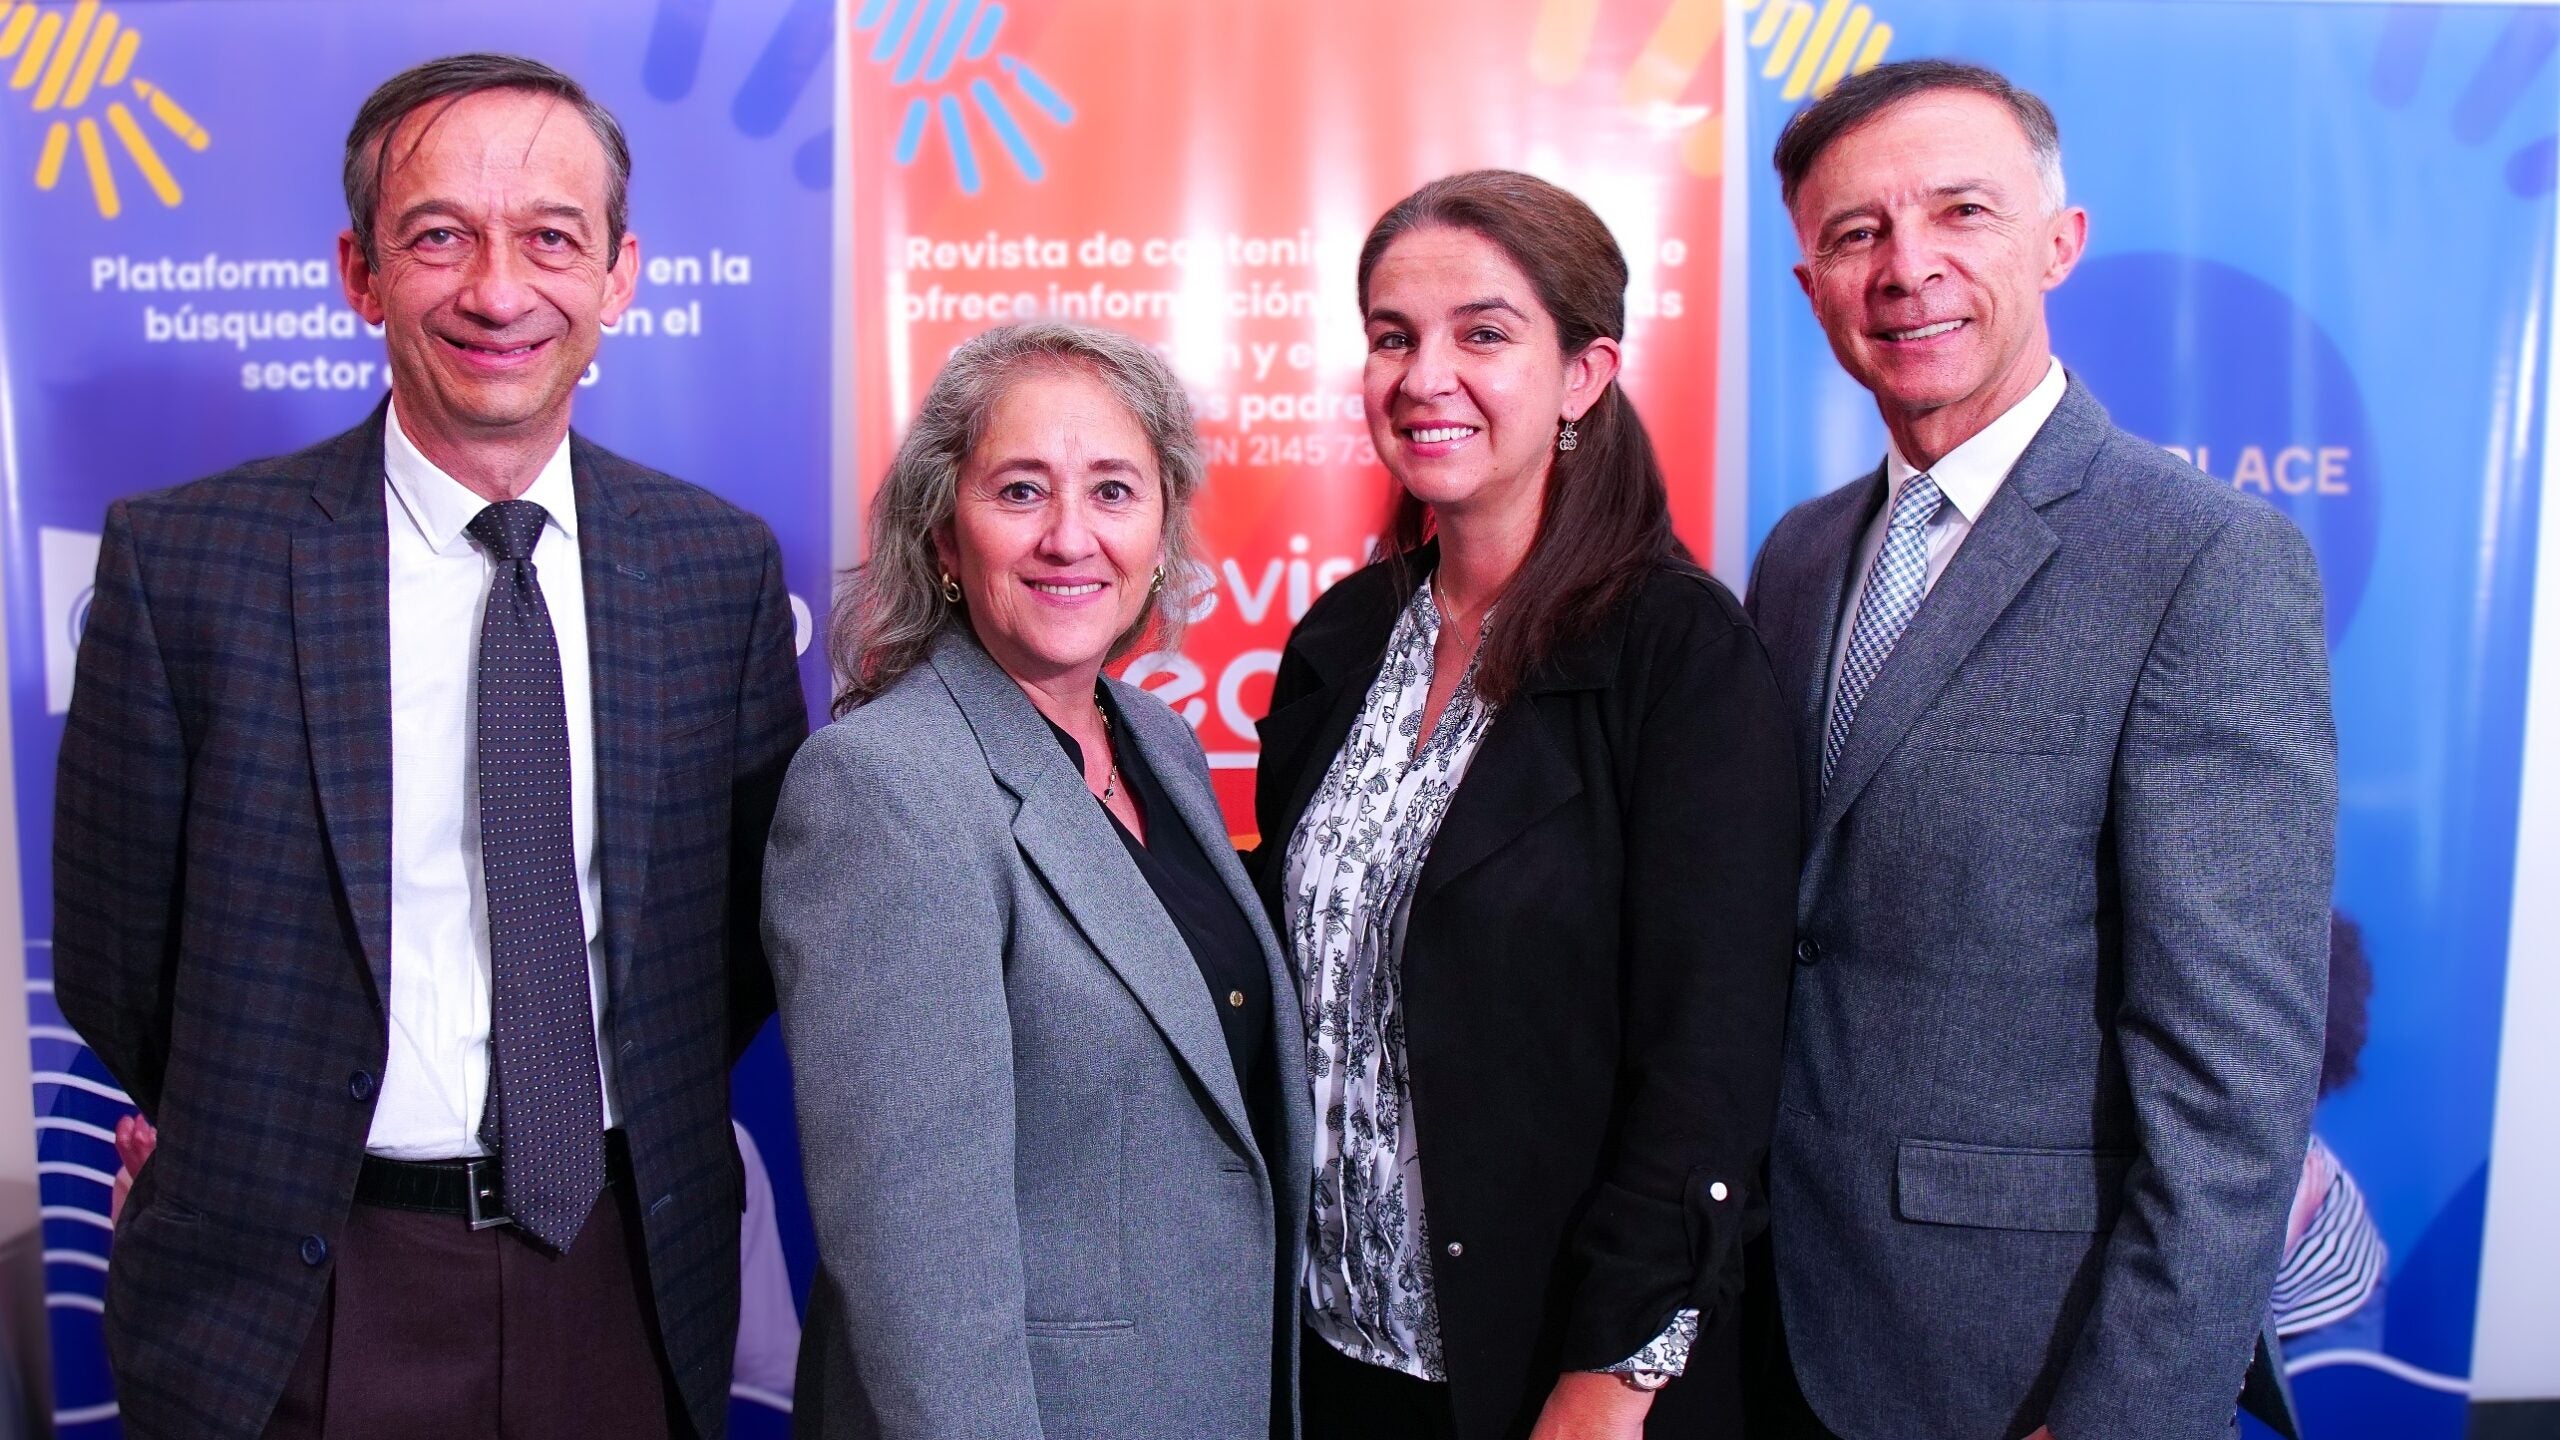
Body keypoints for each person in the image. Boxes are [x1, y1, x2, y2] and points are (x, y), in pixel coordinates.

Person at [53, 54, 806, 1440]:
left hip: (622, 1277)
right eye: (440, 235)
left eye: (551, 240)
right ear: (360, 270)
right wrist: (248, 1130)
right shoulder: (187, 564)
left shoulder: (717, 570)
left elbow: (737, 953)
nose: (499, 291)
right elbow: (115, 960)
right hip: (299, 1287)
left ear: (620, 276)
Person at [1742, 59, 2337, 1439]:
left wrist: (2125, 1416)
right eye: (1856, 235)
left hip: (2026, 1358)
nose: (1908, 269)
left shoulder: (2205, 561)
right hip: (1779, 1320)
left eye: (1962, 213)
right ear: (1812, 286)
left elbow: (2234, 1088)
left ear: (2060, 243)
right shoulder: (1800, 555)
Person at [1252, 170, 1799, 1440]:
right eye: (1393, 336)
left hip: (1555, 1378)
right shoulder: (1341, 637)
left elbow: (1709, 1061)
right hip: (1328, 1358)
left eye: (1482, 334)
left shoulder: (1678, 655)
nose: (1422, 375)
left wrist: (1611, 1375)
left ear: (1583, 376)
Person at [764, 320, 1311, 1440]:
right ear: (945, 537)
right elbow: (918, 1262)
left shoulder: (1158, 741)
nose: (1071, 537)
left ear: (1161, 532)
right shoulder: (883, 786)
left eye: (1114, 491)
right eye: (1019, 492)